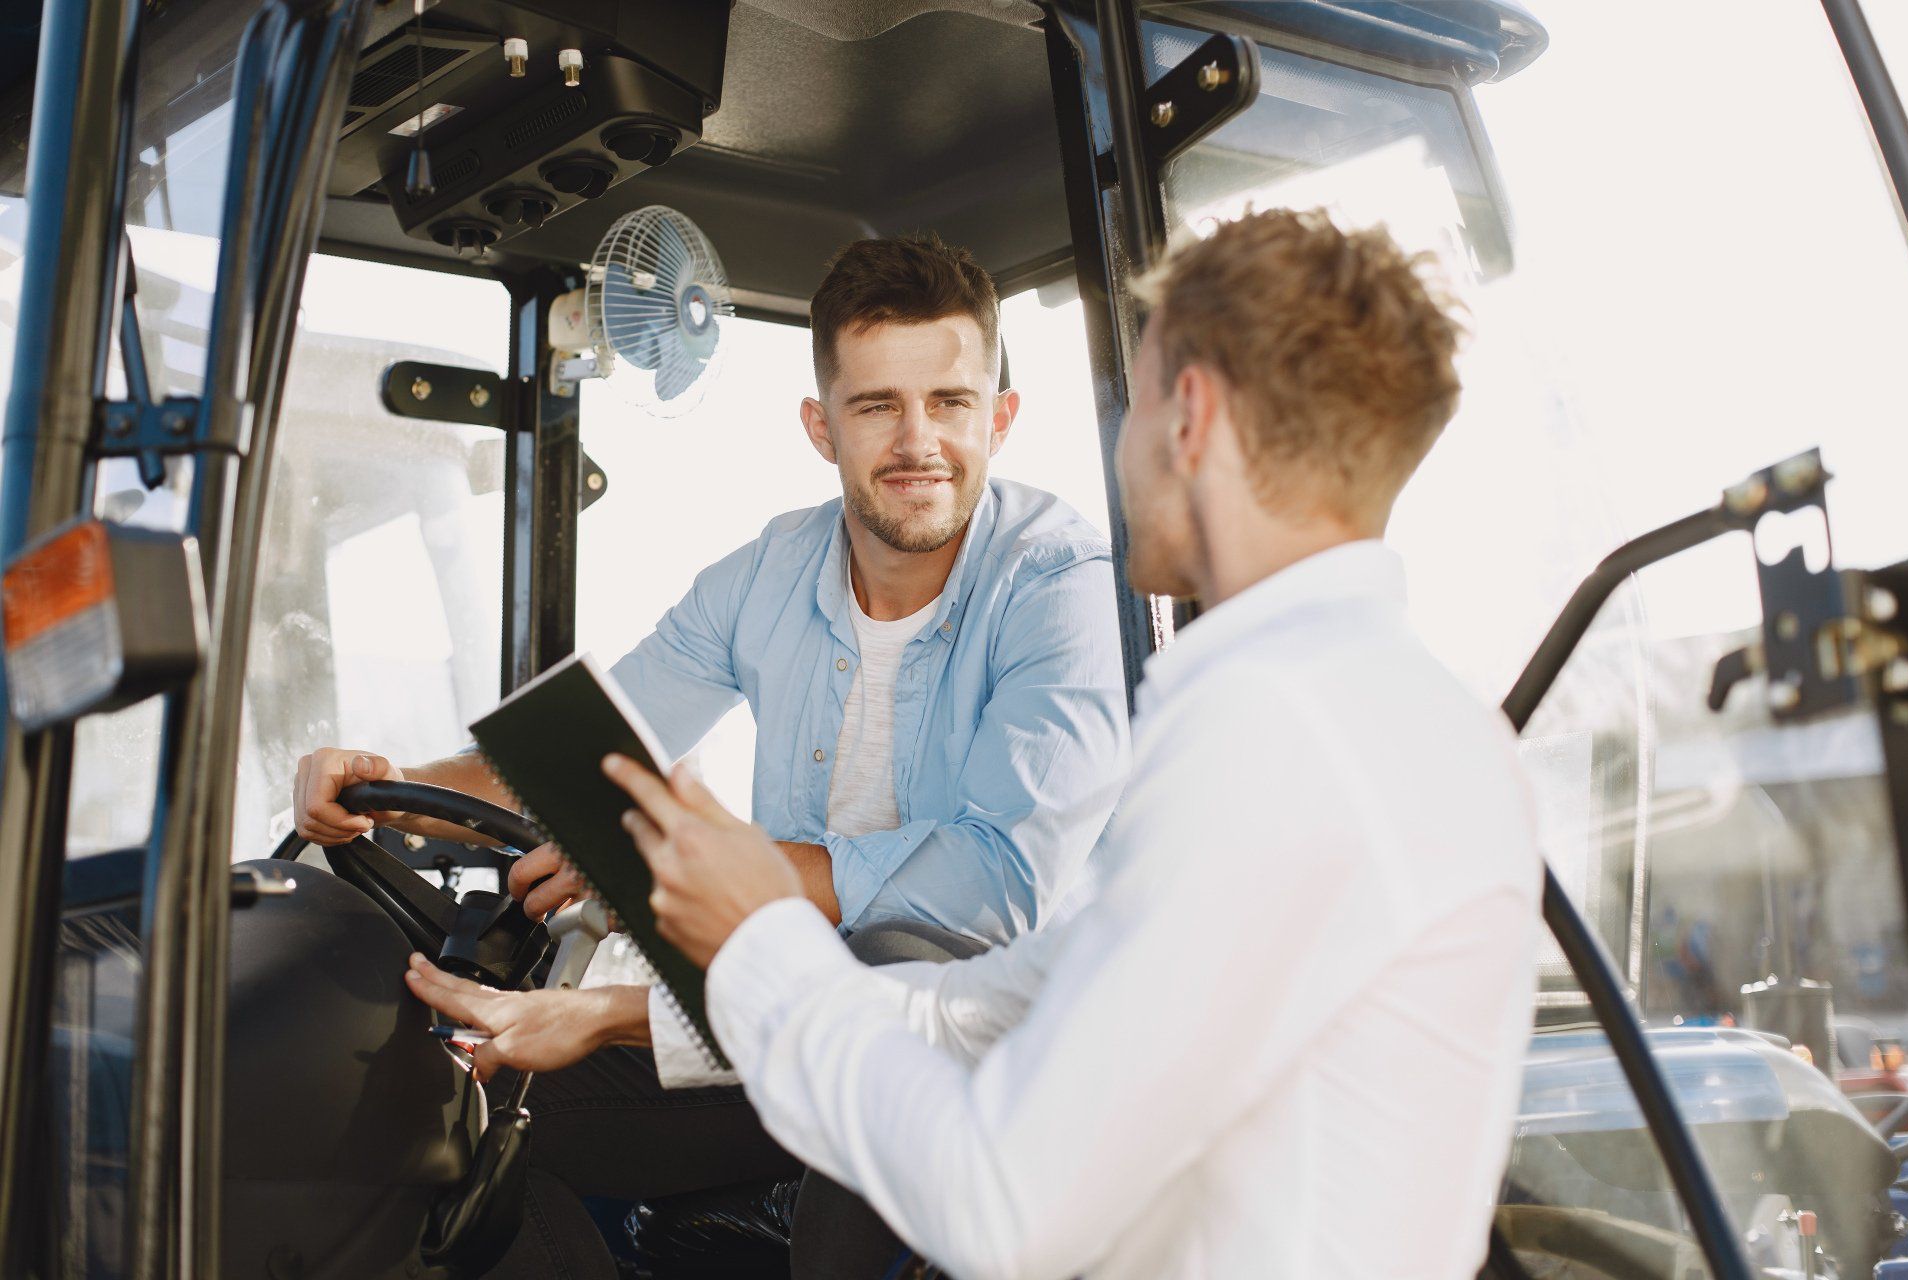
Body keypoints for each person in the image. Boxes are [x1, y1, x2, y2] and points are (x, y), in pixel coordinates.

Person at [562, 208, 1544, 1278]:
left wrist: (755, 925)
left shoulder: (1281, 736)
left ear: (1192, 417)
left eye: (1131, 400)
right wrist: (632, 1015)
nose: (1116, 447)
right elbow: (999, 1000)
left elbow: (1005, 1206)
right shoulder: (1383, 710)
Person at [299, 232, 1129, 1268]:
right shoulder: (768, 572)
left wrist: (723, 880)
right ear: (821, 427)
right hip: (781, 1019)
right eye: (877, 405)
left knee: (892, 990)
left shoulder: (1062, 584)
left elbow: (993, 889)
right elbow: (575, 764)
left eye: (951, 402)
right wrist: (381, 786)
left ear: (998, 417)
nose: (919, 440)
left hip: (990, 1057)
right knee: (469, 1127)